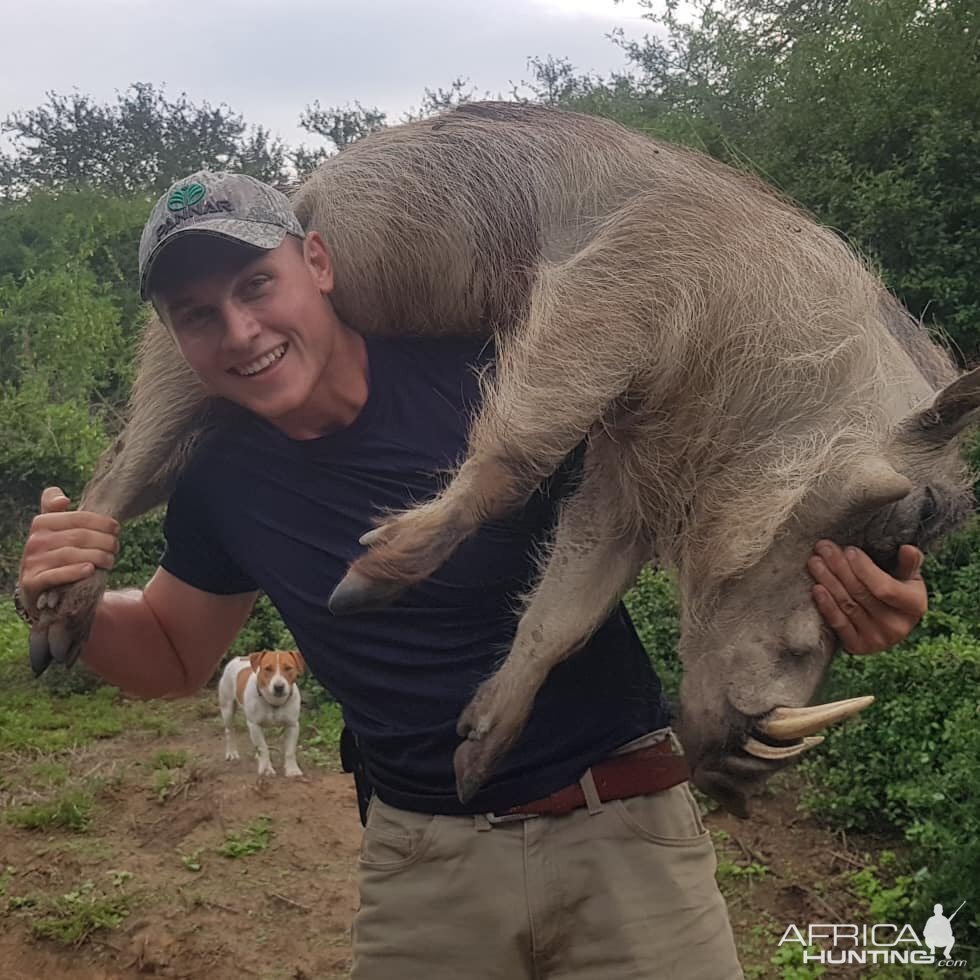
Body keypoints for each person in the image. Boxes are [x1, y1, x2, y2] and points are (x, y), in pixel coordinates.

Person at [16, 171, 929, 979]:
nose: (242, 331)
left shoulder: (497, 372)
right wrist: (70, 599)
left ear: (321, 265)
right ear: (176, 340)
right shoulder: (221, 478)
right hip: (423, 863)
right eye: (198, 315)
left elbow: (700, 488)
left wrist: (849, 586)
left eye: (258, 285)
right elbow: (176, 655)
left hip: (625, 829)